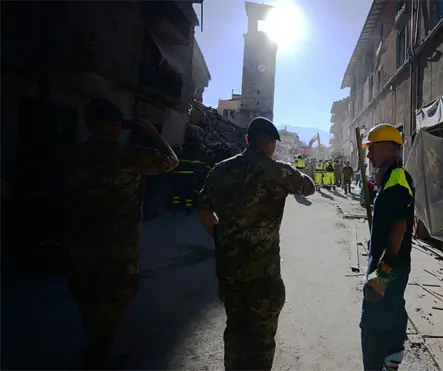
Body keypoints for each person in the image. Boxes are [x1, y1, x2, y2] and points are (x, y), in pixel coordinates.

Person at [64, 98, 179, 369]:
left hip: (79, 242)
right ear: (111, 125)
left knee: (88, 295)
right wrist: (154, 135)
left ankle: (95, 346)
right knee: (112, 300)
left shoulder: (72, 155)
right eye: (118, 123)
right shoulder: (128, 157)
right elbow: (171, 161)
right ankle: (97, 357)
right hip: (118, 247)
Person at [197, 117, 315, 370]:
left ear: (247, 140)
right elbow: (309, 188)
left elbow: (204, 210)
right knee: (261, 338)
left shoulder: (220, 170)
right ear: (271, 143)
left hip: (229, 269)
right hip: (263, 273)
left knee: (235, 329)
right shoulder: (278, 171)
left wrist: (220, 237)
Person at [360, 124, 414, 371]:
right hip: (391, 263)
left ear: (388, 149)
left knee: (372, 325)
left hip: (389, 267)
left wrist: (382, 274)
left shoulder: (396, 181)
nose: (368, 155)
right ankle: (392, 359)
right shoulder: (390, 179)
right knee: (393, 313)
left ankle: (379, 365)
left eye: (371, 149)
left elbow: (399, 229)